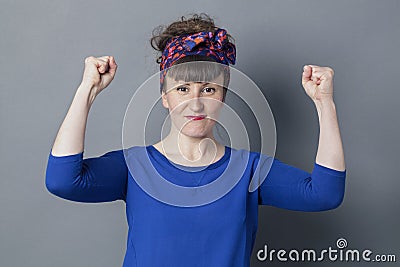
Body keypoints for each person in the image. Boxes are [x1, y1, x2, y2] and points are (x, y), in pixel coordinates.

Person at [45, 13, 346, 267]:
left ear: (224, 97)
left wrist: (325, 104)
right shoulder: (134, 166)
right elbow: (62, 181)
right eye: (183, 89)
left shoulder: (248, 171)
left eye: (209, 90)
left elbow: (324, 194)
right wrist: (87, 91)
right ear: (164, 96)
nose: (196, 104)